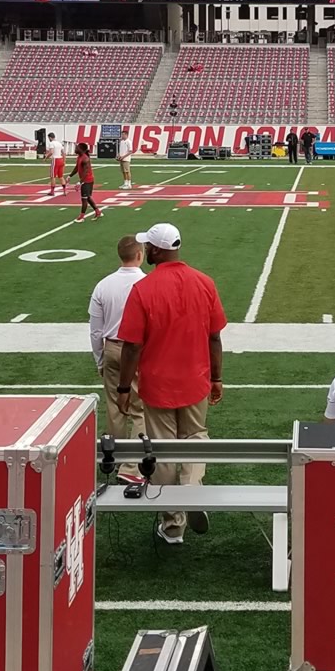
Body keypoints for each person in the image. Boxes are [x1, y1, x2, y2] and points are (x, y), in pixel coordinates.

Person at [114, 222, 227, 546]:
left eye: (149, 245)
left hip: (158, 382)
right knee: (195, 435)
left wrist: (124, 388)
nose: (146, 249)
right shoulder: (204, 282)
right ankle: (191, 489)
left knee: (161, 446)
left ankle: (172, 522)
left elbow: (132, 345)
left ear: (158, 250)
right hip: (195, 376)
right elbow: (215, 336)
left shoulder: (144, 289)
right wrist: (217, 377)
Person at [88, 235, 149, 442]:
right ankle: (134, 463)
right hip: (140, 350)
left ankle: (117, 457)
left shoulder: (103, 285)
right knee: (140, 408)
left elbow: (95, 330)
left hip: (112, 348)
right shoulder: (147, 283)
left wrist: (100, 359)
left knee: (115, 408)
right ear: (140, 255)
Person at [72, 142, 102, 223]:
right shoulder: (79, 157)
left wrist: (80, 182)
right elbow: (77, 167)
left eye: (77, 147)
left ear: (81, 149)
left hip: (87, 180)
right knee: (88, 197)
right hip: (86, 180)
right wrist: (70, 176)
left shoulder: (85, 159)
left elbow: (86, 172)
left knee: (84, 199)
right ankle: (97, 211)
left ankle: (81, 217)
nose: (75, 149)